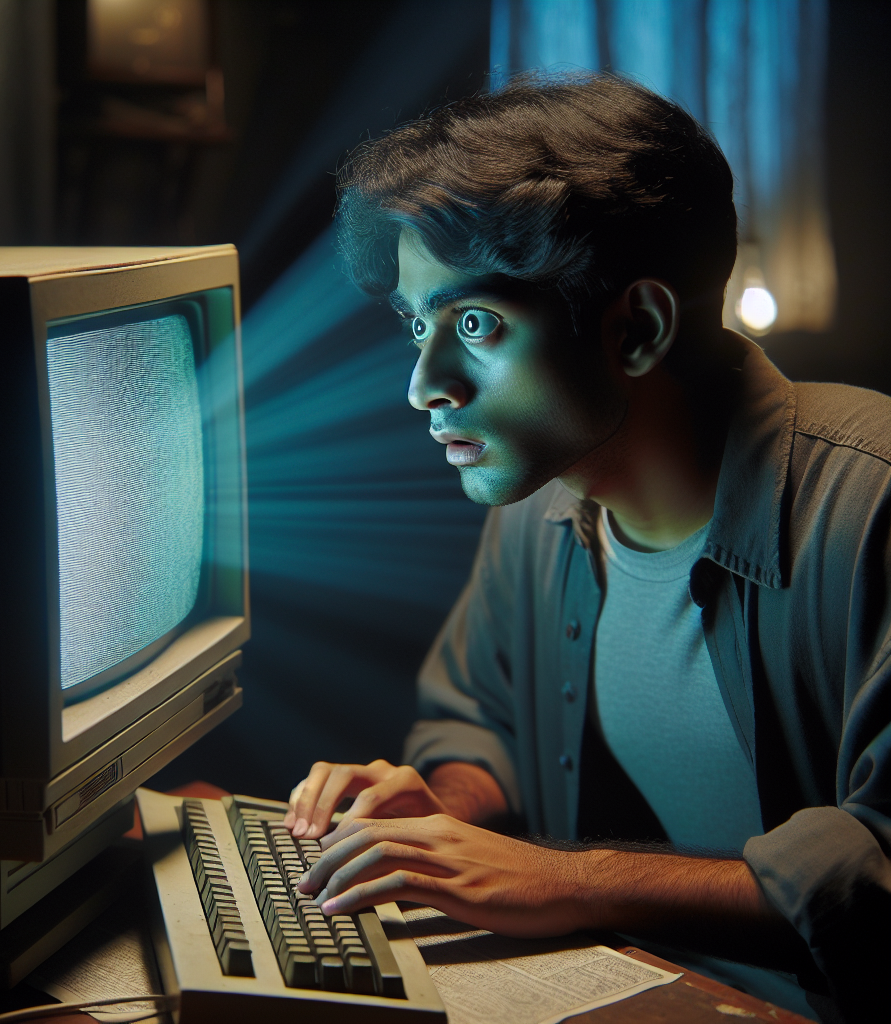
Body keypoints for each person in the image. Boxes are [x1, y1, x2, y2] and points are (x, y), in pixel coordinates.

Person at [283, 75, 889, 1022]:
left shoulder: (873, 501)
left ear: (636, 329)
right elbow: (481, 722)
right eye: (416, 324)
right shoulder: (538, 505)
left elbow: (877, 867)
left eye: (473, 323)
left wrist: (567, 879)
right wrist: (445, 810)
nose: (423, 384)